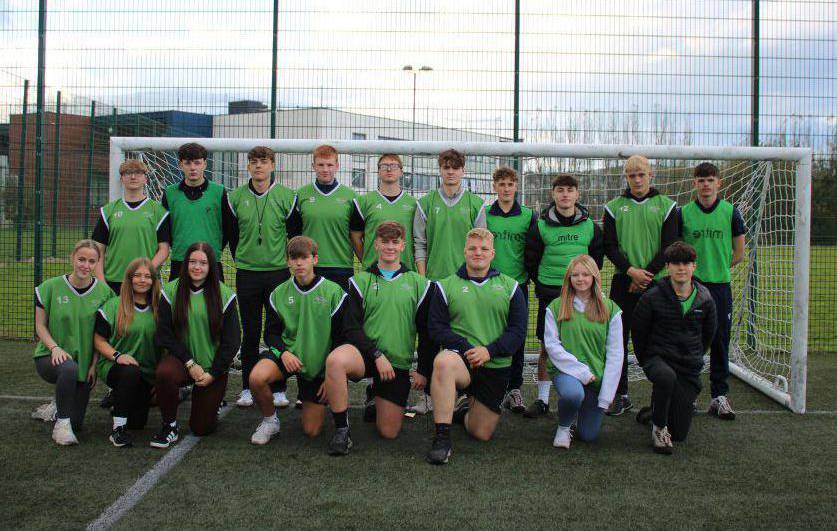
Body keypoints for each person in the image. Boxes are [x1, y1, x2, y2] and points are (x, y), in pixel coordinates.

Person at [324, 222, 433, 455]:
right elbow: (351, 328)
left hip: (396, 362)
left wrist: (423, 370)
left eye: (395, 242)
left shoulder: (419, 283)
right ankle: (342, 430)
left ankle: (375, 392)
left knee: (389, 432)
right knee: (335, 360)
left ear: (403, 246)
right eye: (385, 242)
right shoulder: (360, 281)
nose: (390, 247)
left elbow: (426, 331)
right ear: (376, 245)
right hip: (365, 355)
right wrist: (376, 354)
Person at [424, 228, 527, 465]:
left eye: (483, 249)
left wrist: (489, 351)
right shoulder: (445, 286)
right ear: (465, 252)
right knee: (443, 362)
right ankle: (442, 438)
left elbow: (517, 331)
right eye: (472, 248)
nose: (477, 253)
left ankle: (462, 409)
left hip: (495, 364)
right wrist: (466, 347)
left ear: (492, 253)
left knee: (480, 433)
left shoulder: (510, 287)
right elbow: (436, 328)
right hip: (462, 361)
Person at [248, 236, 349, 445]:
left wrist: (331, 376)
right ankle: (270, 421)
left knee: (312, 431)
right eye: (294, 258)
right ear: (288, 262)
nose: (299, 263)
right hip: (288, 357)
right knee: (257, 377)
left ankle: (329, 408)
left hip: (318, 366)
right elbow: (271, 334)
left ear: (315, 259)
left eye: (304, 258)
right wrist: (284, 353)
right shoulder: (279, 293)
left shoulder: (333, 292)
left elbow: (341, 339)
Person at [412, 149, 487, 414]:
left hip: (465, 283)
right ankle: (429, 396)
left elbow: (481, 245)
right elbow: (419, 243)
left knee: (463, 337)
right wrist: (424, 279)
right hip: (434, 283)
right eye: (446, 167)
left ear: (463, 171)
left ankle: (464, 394)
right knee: (430, 338)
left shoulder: (476, 204)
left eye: (456, 167)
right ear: (440, 170)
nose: (451, 172)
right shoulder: (425, 202)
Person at [603, 155, 678, 416]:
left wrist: (645, 276)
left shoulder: (667, 206)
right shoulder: (613, 207)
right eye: (631, 175)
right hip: (623, 282)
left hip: (657, 283)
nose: (636, 179)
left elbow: (669, 245)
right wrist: (631, 271)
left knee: (657, 342)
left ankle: (661, 397)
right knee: (618, 341)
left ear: (650, 175)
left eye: (641, 174)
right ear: (626, 177)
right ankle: (621, 394)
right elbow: (610, 246)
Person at [523, 174, 603, 418]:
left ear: (577, 194)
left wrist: (583, 284)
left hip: (583, 295)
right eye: (560, 190)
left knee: (582, 345)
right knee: (547, 347)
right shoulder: (541, 226)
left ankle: (584, 396)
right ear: (553, 194)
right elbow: (531, 260)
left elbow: (596, 261)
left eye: (570, 190)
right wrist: (544, 284)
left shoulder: (590, 226)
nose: (565, 194)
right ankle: (543, 400)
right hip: (551, 294)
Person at [227, 146, 301, 410]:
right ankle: (247, 387)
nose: (258, 166)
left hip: (277, 274)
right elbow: (232, 236)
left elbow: (294, 235)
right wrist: (244, 259)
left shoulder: (286, 197)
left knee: (277, 331)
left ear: (272, 165)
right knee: (250, 332)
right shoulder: (235, 198)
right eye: (254, 162)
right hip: (247, 273)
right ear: (248, 166)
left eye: (264, 161)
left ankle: (278, 388)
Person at [349, 153, 419, 421]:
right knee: (371, 327)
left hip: (403, 276)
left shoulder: (413, 204)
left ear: (401, 171)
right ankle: (372, 387)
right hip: (374, 275)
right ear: (377, 171)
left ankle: (398, 384)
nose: (389, 170)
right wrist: (366, 257)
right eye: (384, 166)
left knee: (401, 330)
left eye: (394, 166)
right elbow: (356, 235)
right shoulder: (364, 201)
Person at [152, 242, 241, 448]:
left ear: (211, 266)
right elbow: (164, 334)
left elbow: (232, 341)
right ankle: (169, 426)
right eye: (192, 262)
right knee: (165, 373)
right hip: (182, 362)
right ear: (185, 264)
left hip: (211, 368)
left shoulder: (225, 295)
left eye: (203, 262)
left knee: (201, 428)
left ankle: (212, 402)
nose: (197, 267)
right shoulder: (171, 290)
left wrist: (214, 373)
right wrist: (190, 362)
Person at [632, 242, 716, 454]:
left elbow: (708, 335)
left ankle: (654, 412)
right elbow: (639, 333)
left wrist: (694, 355)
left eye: (686, 263)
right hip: (658, 359)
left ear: (694, 266)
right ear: (667, 267)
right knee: (665, 377)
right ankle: (659, 429)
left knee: (678, 434)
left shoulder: (705, 298)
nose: (681, 268)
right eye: (676, 263)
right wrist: (646, 361)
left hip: (687, 365)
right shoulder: (652, 297)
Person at [680, 162, 746, 420]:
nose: (705, 184)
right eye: (701, 180)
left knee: (720, 341)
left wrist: (717, 268)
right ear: (694, 183)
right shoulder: (684, 213)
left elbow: (739, 253)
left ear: (719, 183)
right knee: (690, 341)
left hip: (720, 288)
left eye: (710, 180)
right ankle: (689, 394)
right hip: (692, 287)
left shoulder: (731, 212)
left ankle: (719, 396)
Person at [33, 240, 113, 445]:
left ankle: (57, 408)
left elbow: (102, 335)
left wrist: (94, 365)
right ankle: (60, 427)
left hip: (84, 364)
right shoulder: (50, 287)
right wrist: (54, 348)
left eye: (91, 261)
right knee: (68, 369)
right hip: (49, 356)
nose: (85, 265)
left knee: (76, 423)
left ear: (97, 263)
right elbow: (40, 326)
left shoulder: (105, 293)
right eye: (81, 259)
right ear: (72, 258)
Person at [543, 255, 623, 449]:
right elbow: (552, 346)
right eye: (575, 275)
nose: (580, 279)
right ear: (569, 278)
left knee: (588, 436)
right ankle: (564, 426)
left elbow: (616, 354)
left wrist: (606, 395)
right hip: (565, 371)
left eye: (585, 274)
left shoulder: (611, 309)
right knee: (573, 394)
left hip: (595, 377)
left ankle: (581, 412)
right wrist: (581, 372)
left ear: (594, 276)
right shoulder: (556, 306)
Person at [485, 166, 538, 414]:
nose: (506, 189)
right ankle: (489, 388)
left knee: (517, 337)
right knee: (489, 335)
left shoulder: (528, 215)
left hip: (518, 286)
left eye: (510, 184)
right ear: (494, 187)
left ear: (516, 186)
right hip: (489, 286)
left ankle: (514, 389)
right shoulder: (485, 214)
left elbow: (534, 250)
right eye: (501, 184)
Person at [93, 258, 162, 447]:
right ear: (129, 279)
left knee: (138, 423)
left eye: (147, 276)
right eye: (137, 275)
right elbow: (98, 340)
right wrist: (118, 356)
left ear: (153, 280)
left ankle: (122, 399)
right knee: (130, 372)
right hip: (116, 366)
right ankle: (118, 430)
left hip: (146, 373)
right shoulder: (113, 305)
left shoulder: (160, 308)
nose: (142, 280)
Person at [92, 159, 170, 295]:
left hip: (146, 280)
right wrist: (101, 281)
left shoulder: (158, 211)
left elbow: (164, 250)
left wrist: (146, 270)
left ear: (145, 179)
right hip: (114, 280)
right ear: (121, 179)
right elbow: (98, 250)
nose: (133, 177)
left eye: (138, 173)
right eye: (128, 173)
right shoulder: (108, 211)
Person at [162, 142, 234, 281]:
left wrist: (213, 249)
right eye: (188, 163)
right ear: (180, 165)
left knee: (214, 296)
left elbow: (228, 228)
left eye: (197, 163)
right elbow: (165, 231)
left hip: (211, 261)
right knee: (178, 296)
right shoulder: (169, 193)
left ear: (205, 164)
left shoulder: (219, 192)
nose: (193, 167)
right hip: (180, 261)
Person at [296, 145, 359, 291]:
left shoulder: (351, 196)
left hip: (341, 266)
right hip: (309, 266)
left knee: (340, 306)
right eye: (321, 165)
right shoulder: (301, 195)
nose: (325, 169)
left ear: (337, 166)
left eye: (329, 165)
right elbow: (295, 234)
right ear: (313, 166)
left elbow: (356, 234)